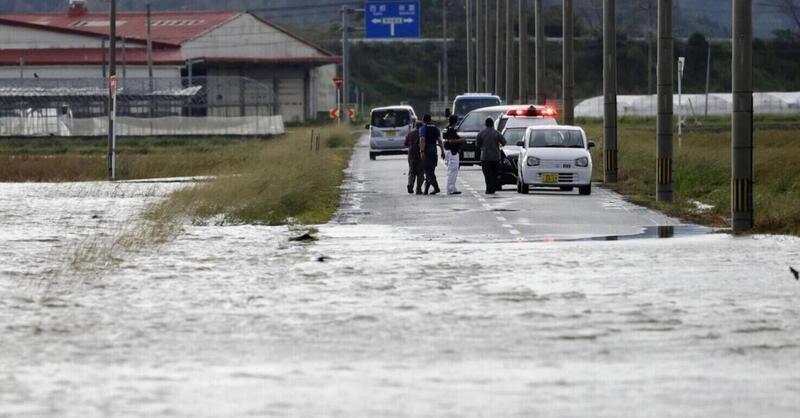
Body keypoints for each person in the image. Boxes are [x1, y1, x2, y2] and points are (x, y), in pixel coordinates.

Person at [475, 117, 506, 194]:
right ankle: (493, 187)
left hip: (485, 157)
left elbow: (477, 144)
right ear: (492, 124)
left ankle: (488, 188)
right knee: (494, 174)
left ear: (485, 124)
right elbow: (504, 142)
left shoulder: (481, 133)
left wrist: (483, 146)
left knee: (487, 174)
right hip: (495, 157)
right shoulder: (497, 133)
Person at [418, 114, 446, 195]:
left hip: (427, 150)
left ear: (423, 121)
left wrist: (422, 151)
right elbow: (440, 140)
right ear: (430, 120)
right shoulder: (436, 129)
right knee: (431, 170)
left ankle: (434, 187)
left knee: (428, 170)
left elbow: (422, 139)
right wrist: (442, 151)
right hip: (434, 149)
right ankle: (430, 189)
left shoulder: (422, 129)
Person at [442, 114, 465, 195]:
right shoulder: (451, 129)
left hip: (449, 151)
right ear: (455, 121)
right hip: (453, 152)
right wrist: (461, 140)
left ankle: (452, 187)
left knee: (453, 170)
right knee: (453, 170)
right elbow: (451, 141)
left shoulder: (446, 129)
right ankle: (450, 188)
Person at [404, 120, 424, 194]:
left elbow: (405, 143)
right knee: (420, 172)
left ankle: (410, 184)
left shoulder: (410, 133)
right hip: (419, 155)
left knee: (411, 171)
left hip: (411, 155)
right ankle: (418, 189)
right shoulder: (421, 133)